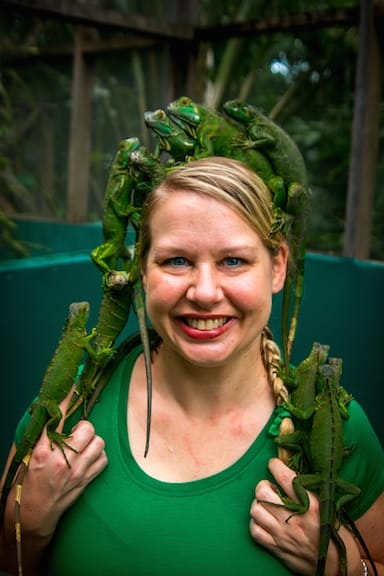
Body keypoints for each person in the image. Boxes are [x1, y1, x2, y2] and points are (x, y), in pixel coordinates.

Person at [1, 156, 384, 576]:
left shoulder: (333, 425)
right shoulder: (71, 407)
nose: (204, 292)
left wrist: (342, 568)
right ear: (142, 272)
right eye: (176, 261)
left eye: (233, 261)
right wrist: (24, 526)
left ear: (277, 267)